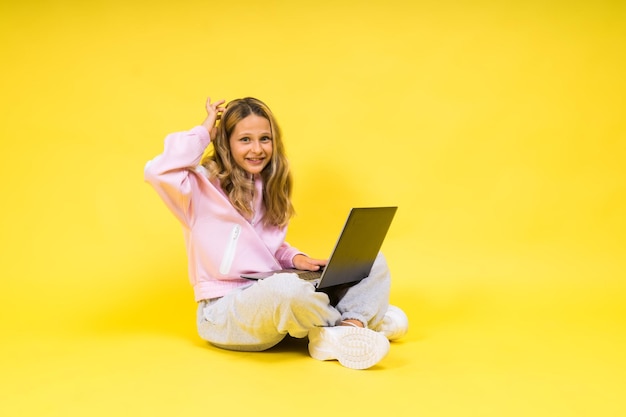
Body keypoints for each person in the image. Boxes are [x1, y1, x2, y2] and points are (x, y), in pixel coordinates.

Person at [144, 96, 408, 369]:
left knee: (370, 260)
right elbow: (156, 170)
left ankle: (346, 327)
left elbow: (266, 248)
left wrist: (296, 259)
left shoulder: (267, 185)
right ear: (225, 142)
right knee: (287, 289)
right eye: (245, 139)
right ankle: (361, 320)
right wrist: (203, 133)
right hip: (225, 312)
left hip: (270, 289)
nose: (257, 149)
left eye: (264, 139)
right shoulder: (198, 188)